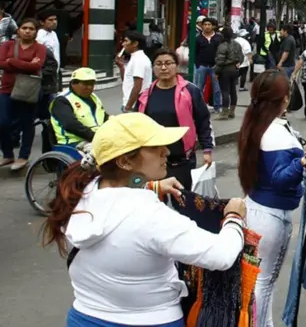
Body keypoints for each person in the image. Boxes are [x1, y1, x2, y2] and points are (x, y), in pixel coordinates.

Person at [42, 113, 247, 327]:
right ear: (124, 161)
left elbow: (119, 189)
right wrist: (234, 217)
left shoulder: (78, 193)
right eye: (155, 146)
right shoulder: (152, 217)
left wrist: (151, 185)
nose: (166, 151)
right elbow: (220, 256)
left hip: (84, 317)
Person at [237, 70, 306, 326]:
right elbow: (281, 178)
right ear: (285, 98)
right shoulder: (272, 133)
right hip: (270, 216)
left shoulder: (262, 123)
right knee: (264, 282)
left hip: (261, 210)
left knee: (262, 282)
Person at [139, 49, 214, 190]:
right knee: (156, 201)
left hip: (182, 159)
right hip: (153, 159)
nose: (163, 67)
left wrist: (207, 149)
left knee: (182, 200)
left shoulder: (190, 91)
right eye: (158, 64)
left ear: (177, 66)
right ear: (153, 68)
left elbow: (203, 121)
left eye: (168, 63)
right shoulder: (145, 95)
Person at [0, 18, 46, 170]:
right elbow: (1, 63)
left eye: (31, 29)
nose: (27, 31)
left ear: (36, 31)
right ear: (18, 29)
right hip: (6, 89)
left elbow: (37, 66)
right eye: (24, 28)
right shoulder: (7, 45)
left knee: (27, 123)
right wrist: (26, 65)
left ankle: (23, 156)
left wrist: (12, 61)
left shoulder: (40, 48)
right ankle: (7, 154)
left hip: (28, 91)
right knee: (3, 122)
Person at [49, 68, 108, 147]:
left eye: (92, 83)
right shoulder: (62, 100)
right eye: (85, 84)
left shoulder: (94, 97)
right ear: (73, 84)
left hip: (96, 138)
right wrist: (96, 137)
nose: (89, 87)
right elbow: (71, 125)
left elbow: (104, 116)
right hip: (74, 142)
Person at [213, 27, 243, 120]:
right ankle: (232, 111)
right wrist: (238, 64)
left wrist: (216, 72)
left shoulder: (223, 45)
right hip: (235, 69)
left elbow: (220, 61)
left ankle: (224, 113)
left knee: (225, 91)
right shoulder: (237, 44)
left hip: (225, 70)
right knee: (233, 91)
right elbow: (241, 57)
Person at [193, 18, 223, 112]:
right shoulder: (198, 38)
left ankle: (217, 107)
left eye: (209, 24)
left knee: (217, 88)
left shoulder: (218, 38)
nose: (207, 26)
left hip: (215, 66)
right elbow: (194, 52)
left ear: (213, 26)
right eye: (205, 24)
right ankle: (199, 107)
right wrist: (197, 64)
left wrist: (219, 64)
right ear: (202, 26)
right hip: (201, 65)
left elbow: (221, 51)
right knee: (199, 87)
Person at [120, 31, 153, 114]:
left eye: (126, 41)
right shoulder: (135, 58)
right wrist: (121, 66)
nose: (123, 44)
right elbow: (127, 81)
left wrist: (128, 106)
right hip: (131, 103)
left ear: (135, 44)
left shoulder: (139, 60)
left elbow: (137, 86)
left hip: (134, 105)